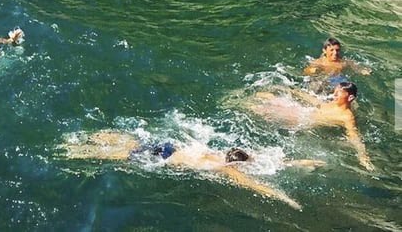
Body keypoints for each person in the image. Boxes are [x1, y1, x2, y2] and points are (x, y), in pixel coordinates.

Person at [60, 130, 303, 209]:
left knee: (130, 143)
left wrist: (299, 163)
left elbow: (261, 158)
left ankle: (86, 138)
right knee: (122, 155)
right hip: (164, 158)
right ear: (236, 164)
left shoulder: (219, 153)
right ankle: (73, 151)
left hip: (169, 146)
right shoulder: (224, 167)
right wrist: (284, 198)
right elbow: (253, 184)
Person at [247, 81, 373, 171]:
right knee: (266, 98)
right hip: (301, 112)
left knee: (257, 108)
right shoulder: (334, 103)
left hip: (300, 119)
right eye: (334, 92)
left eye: (338, 94)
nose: (333, 95)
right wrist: (295, 92)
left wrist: (363, 157)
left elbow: (354, 136)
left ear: (350, 97)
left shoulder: (346, 116)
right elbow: (316, 102)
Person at [304, 37, 371, 78]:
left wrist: (362, 70)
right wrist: (312, 71)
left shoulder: (343, 62)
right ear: (324, 51)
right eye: (331, 50)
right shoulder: (319, 62)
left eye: (337, 50)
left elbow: (355, 66)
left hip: (338, 80)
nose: (335, 53)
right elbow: (306, 71)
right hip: (323, 79)